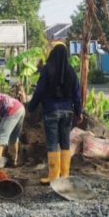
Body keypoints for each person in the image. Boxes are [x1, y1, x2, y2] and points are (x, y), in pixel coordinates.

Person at [26, 43, 82, 185]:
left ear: (53, 54)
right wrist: (79, 112)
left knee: (52, 143)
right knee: (65, 143)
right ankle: (65, 175)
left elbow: (39, 90)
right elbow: (77, 94)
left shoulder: (47, 69)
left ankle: (53, 176)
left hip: (51, 111)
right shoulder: (71, 71)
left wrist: (31, 107)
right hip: (68, 112)